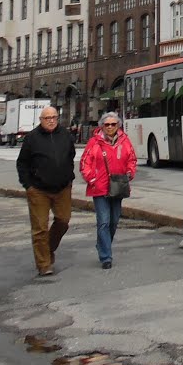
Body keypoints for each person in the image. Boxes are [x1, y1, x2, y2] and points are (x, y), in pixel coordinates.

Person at [16, 106, 76, 277]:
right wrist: (28, 185)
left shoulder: (65, 135)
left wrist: (68, 177)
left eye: (54, 117)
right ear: (41, 120)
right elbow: (22, 163)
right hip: (38, 190)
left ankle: (47, 249)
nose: (51, 120)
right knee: (40, 228)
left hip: (62, 187)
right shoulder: (32, 138)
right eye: (47, 118)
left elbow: (71, 155)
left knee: (63, 220)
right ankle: (44, 264)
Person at [80, 112, 137, 270]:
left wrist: (129, 173)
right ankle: (106, 256)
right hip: (100, 188)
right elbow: (85, 163)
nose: (110, 127)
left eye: (113, 124)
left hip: (118, 186)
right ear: (102, 126)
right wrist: (92, 179)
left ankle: (102, 244)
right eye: (107, 125)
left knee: (113, 222)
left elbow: (131, 159)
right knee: (103, 222)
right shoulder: (94, 142)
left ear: (118, 125)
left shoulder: (125, 141)